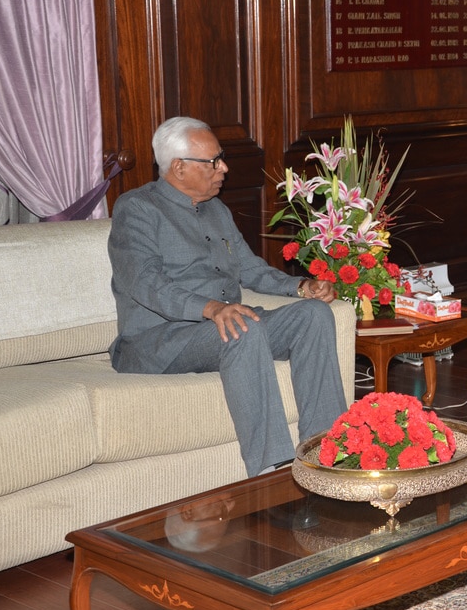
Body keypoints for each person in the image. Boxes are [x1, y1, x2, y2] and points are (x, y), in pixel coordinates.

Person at [108, 116, 347, 477]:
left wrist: (300, 287)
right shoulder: (137, 208)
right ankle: (273, 469)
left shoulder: (216, 210)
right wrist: (211, 308)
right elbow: (144, 282)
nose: (224, 168)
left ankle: (327, 452)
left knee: (312, 314)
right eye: (214, 161)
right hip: (160, 339)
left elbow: (248, 268)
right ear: (179, 168)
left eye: (221, 158)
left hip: (216, 327)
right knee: (240, 326)